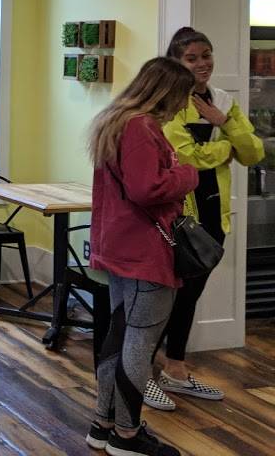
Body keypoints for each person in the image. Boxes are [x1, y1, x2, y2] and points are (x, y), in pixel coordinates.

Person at [142, 28, 264, 411]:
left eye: (206, 55)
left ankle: (175, 370)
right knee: (162, 298)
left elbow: (253, 153)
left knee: (190, 295)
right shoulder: (168, 103)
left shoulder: (223, 101)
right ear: (175, 62)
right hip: (177, 215)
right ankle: (140, 375)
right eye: (192, 58)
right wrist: (226, 146)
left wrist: (222, 121)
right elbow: (187, 158)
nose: (202, 64)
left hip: (213, 216)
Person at [85, 57, 199, 456]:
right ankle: (127, 435)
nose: (185, 104)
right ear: (166, 92)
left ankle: (103, 425)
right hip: (144, 249)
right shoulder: (141, 127)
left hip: (121, 246)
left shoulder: (115, 121)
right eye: (184, 95)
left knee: (119, 338)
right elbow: (145, 189)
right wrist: (188, 174)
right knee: (139, 343)